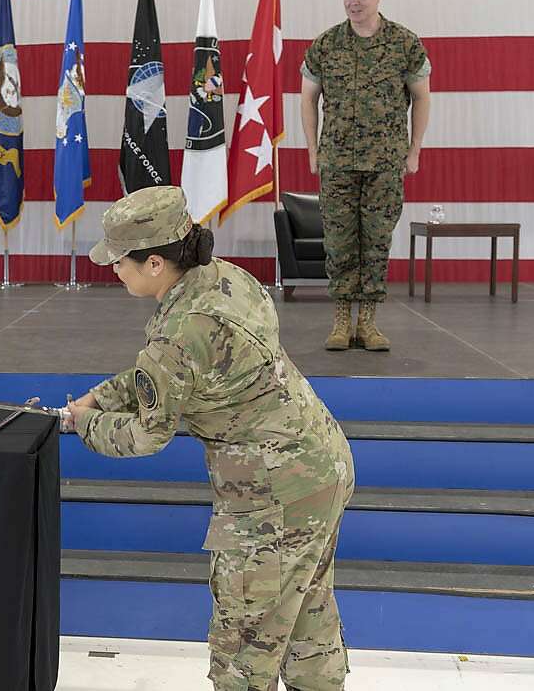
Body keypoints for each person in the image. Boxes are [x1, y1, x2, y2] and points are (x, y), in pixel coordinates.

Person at [62, 186, 355, 691]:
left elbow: (145, 435)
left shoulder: (179, 330)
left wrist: (82, 422)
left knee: (243, 644)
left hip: (269, 496)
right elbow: (170, 376)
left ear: (154, 263)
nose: (113, 270)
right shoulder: (225, 279)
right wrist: (102, 396)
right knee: (308, 618)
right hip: (321, 466)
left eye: (119, 262)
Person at [299, 0, 432, 351]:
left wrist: (415, 150)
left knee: (376, 241)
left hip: (385, 162)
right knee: (339, 241)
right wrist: (312, 148)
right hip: (338, 160)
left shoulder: (404, 43)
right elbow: (308, 97)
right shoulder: (326, 45)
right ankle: (341, 322)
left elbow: (421, 97)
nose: (353, 2)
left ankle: (368, 324)